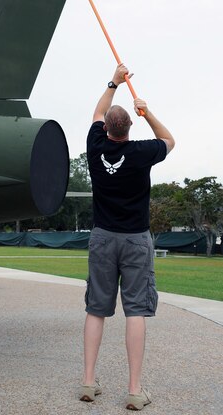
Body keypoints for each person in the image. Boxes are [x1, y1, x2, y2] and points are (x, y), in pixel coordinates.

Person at [80, 63, 175, 411]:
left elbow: (97, 111)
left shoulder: (94, 146)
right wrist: (147, 112)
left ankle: (88, 382)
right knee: (135, 310)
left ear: (106, 129)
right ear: (129, 128)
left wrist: (113, 82)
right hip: (136, 240)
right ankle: (134, 390)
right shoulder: (140, 153)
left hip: (102, 238)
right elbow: (169, 140)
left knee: (96, 309)